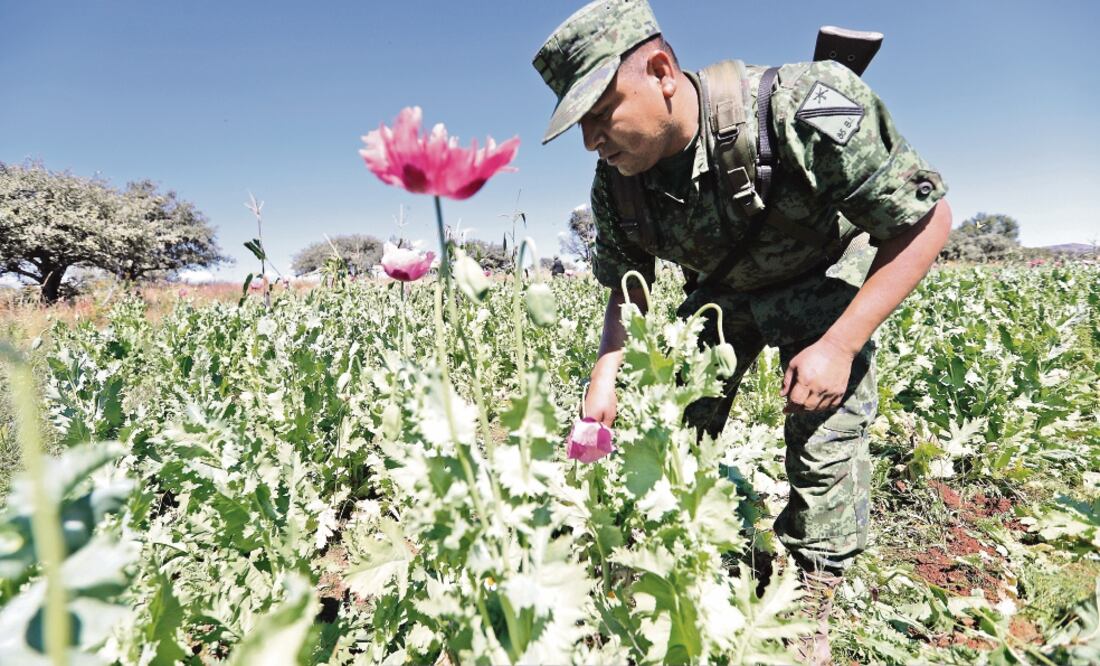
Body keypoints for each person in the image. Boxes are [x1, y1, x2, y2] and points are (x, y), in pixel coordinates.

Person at [533, 1, 952, 662]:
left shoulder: (802, 105)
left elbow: (925, 222)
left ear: (661, 72)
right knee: (670, 420)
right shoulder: (618, 183)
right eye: (579, 125)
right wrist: (607, 368)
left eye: (600, 113)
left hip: (820, 281)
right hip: (720, 298)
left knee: (824, 425)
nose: (591, 141)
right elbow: (628, 284)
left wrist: (840, 346)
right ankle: (683, 543)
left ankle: (811, 597)